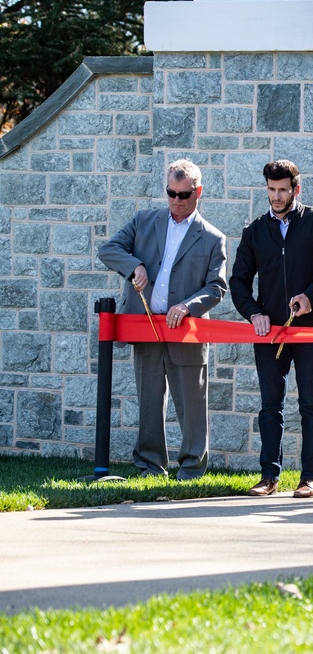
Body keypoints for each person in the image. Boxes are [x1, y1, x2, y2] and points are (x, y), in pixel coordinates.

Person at [98, 159, 227, 480]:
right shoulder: (144, 221)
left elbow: (217, 287)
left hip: (187, 330)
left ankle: (191, 472)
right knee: (149, 403)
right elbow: (109, 249)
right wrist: (134, 266)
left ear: (198, 193)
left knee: (192, 406)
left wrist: (187, 306)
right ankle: (150, 467)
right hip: (146, 327)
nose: (176, 200)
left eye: (183, 195)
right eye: (171, 192)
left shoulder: (213, 238)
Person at [230, 160, 313, 498]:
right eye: (271, 189)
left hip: (310, 329)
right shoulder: (254, 231)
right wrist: (253, 313)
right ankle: (269, 477)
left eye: (283, 190)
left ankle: (310, 478)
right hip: (270, 332)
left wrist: (311, 296)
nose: (276, 196)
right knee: (270, 405)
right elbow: (238, 281)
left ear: (296, 189)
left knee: (311, 402)